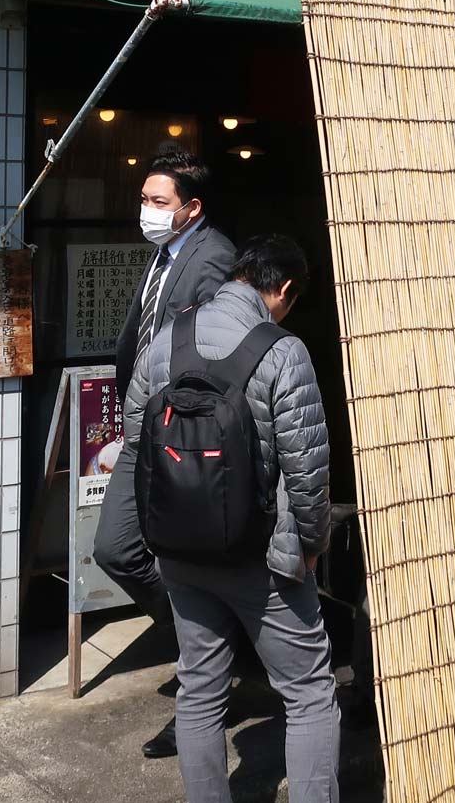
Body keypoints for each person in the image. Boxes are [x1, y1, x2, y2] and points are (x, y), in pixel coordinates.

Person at [126, 235, 339, 803]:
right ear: (285, 289)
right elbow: (307, 469)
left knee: (199, 690)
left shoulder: (169, 340)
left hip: (180, 554)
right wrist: (309, 548)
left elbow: (136, 439)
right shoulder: (283, 351)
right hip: (260, 558)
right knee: (309, 693)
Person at [94, 150, 236, 758]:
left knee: (180, 559)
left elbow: (208, 350)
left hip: (179, 433)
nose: (147, 211)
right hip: (143, 426)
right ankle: (206, 646)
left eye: (159, 202)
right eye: (144, 199)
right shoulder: (165, 253)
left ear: (191, 208)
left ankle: (206, 676)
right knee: (116, 548)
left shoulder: (213, 256)